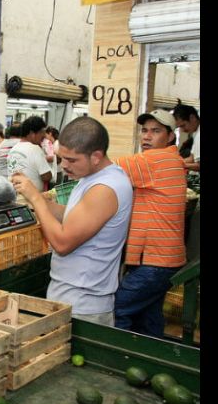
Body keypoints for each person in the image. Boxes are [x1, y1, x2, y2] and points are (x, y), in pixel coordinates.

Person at [12, 117, 133, 326]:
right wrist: (37, 199)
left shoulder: (106, 188)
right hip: (69, 297)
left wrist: (35, 198)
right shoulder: (90, 177)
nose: (64, 166)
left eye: (72, 160)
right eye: (62, 158)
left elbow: (62, 243)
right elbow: (72, 216)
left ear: (96, 156)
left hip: (84, 307)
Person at [111, 109, 186, 338]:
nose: (146, 136)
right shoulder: (174, 159)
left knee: (117, 309)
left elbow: (107, 167)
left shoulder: (156, 159)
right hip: (166, 259)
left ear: (170, 136)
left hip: (155, 262)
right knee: (149, 316)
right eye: (144, 130)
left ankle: (118, 360)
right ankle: (152, 361)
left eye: (155, 131)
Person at [7, 116, 52, 190]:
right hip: (30, 198)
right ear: (32, 133)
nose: (44, 136)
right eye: (42, 132)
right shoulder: (35, 149)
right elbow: (46, 176)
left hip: (14, 194)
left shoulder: (13, 149)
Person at [172, 104, 200, 176]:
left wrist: (180, 165)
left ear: (192, 118)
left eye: (183, 125)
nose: (182, 130)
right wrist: (174, 162)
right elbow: (193, 158)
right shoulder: (195, 133)